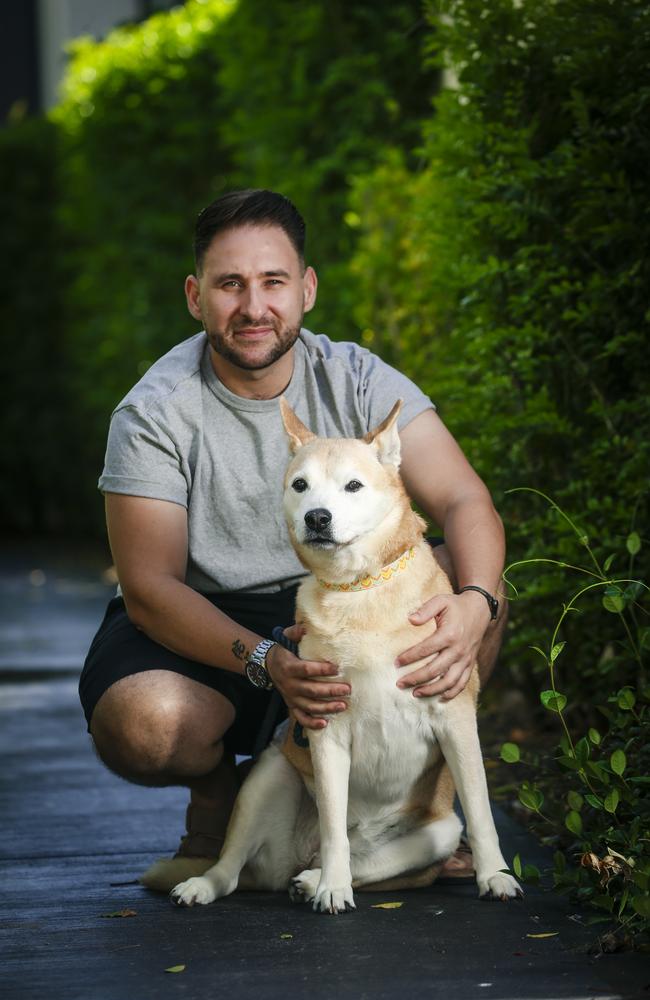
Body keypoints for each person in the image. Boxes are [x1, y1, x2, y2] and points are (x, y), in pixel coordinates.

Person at [79, 188, 507, 889]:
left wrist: (475, 606)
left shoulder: (357, 376)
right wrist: (268, 660)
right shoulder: (153, 412)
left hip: (350, 596)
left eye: (274, 281)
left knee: (475, 578)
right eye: (229, 284)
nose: (254, 307)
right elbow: (149, 588)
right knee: (147, 723)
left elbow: (465, 499)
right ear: (195, 296)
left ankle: (424, 812)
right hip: (210, 619)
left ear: (306, 290)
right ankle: (217, 803)